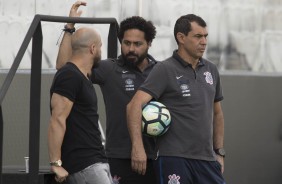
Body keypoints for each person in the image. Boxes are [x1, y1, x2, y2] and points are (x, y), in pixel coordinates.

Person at [56, 1, 158, 184]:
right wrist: (70, 26)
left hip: (157, 158)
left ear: (149, 44)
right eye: (126, 43)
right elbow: (64, 67)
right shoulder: (109, 69)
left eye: (137, 44)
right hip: (118, 158)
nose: (131, 49)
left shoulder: (161, 72)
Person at [127, 14, 226, 184]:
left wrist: (219, 152)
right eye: (198, 36)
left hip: (207, 159)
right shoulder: (164, 69)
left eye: (205, 36)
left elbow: (217, 114)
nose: (204, 41)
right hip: (173, 158)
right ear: (181, 37)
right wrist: (138, 148)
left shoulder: (211, 69)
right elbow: (134, 105)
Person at [48, 27, 113, 184]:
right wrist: (56, 163)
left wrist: (69, 28)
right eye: (100, 46)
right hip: (85, 164)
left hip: (95, 160)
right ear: (93, 48)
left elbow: (61, 64)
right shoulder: (69, 76)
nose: (101, 51)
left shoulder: (78, 74)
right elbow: (57, 120)